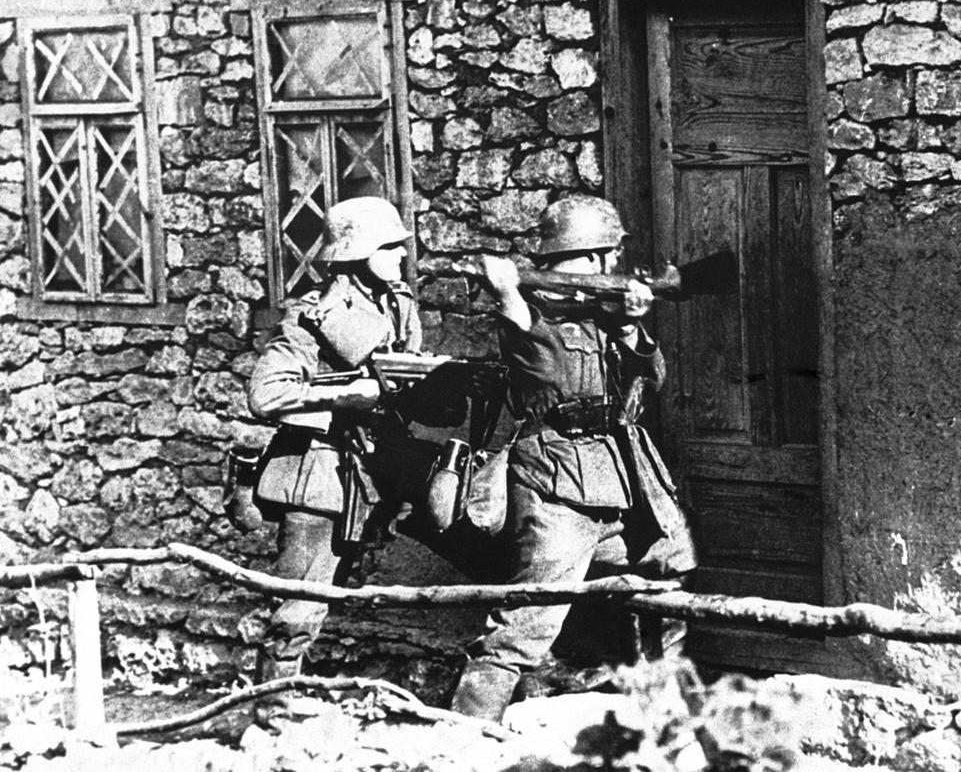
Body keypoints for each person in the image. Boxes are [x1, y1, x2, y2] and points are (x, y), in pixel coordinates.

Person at [449, 194, 697, 722]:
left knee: (667, 580)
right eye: (609, 255)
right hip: (558, 483)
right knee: (527, 624)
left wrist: (631, 327)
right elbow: (520, 331)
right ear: (596, 256)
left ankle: (661, 718)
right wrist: (502, 285)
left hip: (626, 475)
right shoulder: (528, 311)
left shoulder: (604, 316)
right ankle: (465, 737)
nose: (614, 267)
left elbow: (653, 382)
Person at [247, 196, 421, 698]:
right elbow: (266, 395)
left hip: (370, 469)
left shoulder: (397, 304)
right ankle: (271, 707)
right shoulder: (313, 314)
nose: (400, 256)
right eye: (390, 247)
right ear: (358, 251)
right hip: (317, 472)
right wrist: (345, 397)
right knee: (300, 603)